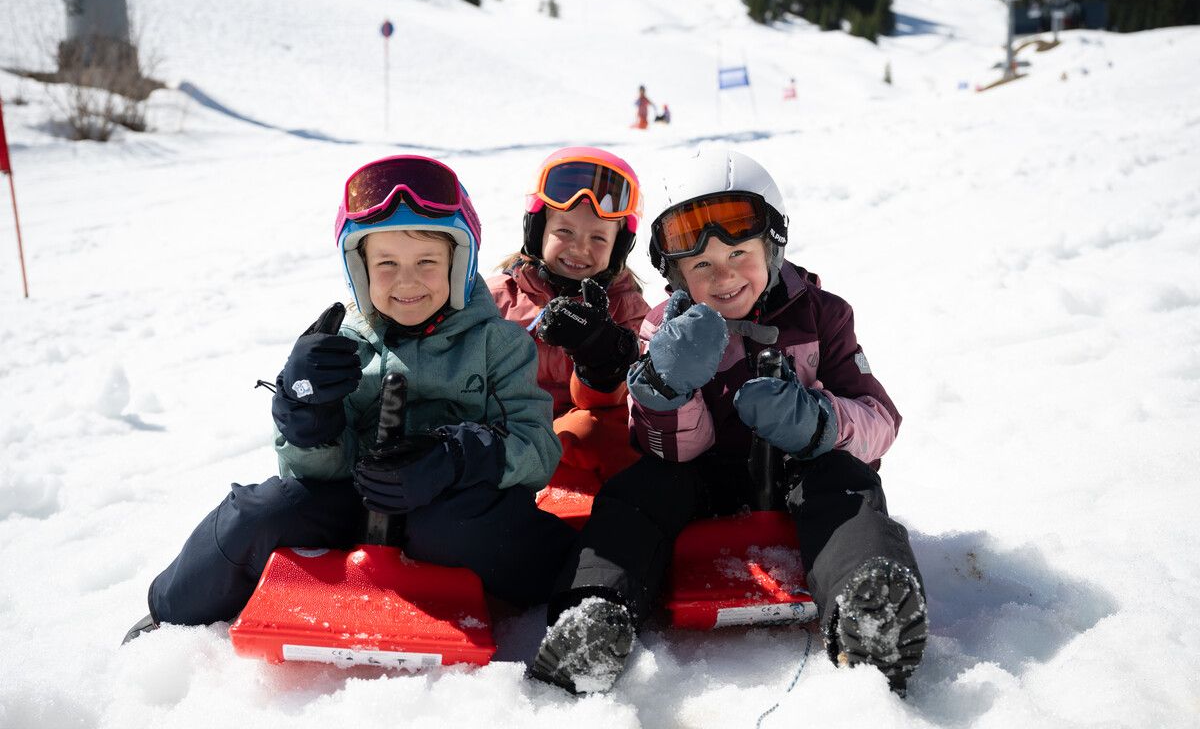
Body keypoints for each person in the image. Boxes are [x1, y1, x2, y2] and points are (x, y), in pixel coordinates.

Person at [123, 155, 577, 643]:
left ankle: (575, 592)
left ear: (460, 265)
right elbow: (313, 472)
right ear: (359, 270)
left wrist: (455, 458)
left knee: (449, 527)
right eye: (386, 264)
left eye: (427, 262)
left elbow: (538, 450)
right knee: (265, 510)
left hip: (452, 505)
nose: (407, 281)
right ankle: (172, 615)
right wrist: (306, 414)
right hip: (355, 501)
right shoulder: (346, 345)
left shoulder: (498, 345)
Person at [529, 147, 928, 695]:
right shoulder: (661, 327)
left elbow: (880, 418)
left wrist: (818, 423)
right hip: (699, 474)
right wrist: (668, 389)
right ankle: (595, 613)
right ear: (676, 274)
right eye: (701, 266)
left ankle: (870, 606)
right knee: (638, 491)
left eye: (738, 253)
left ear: (772, 246)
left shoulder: (823, 313)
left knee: (847, 485)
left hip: (801, 467)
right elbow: (661, 446)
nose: (723, 277)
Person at [489, 147, 649, 491]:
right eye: (565, 232)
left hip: (576, 460)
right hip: (499, 444)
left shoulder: (627, 309)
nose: (579, 249)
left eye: (597, 238)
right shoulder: (494, 299)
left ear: (618, 246)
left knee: (598, 430)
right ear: (538, 228)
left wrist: (600, 358)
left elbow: (627, 403)